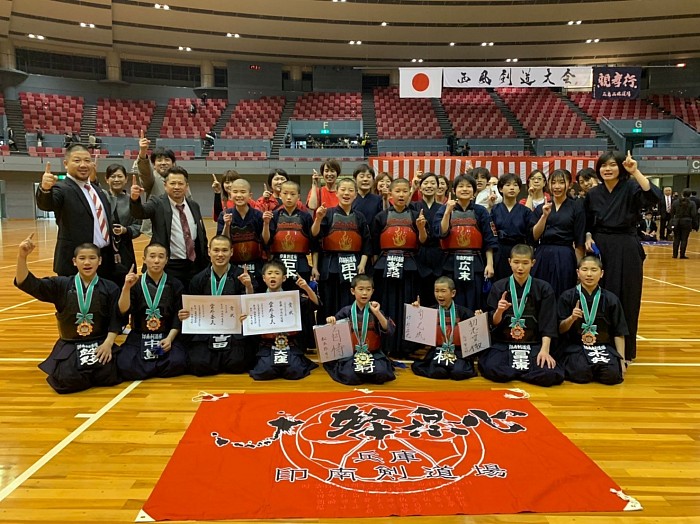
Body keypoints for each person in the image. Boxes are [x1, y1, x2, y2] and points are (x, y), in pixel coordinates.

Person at [584, 151, 662, 361]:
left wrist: (635, 171)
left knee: (628, 296)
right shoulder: (593, 194)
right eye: (603, 165)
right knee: (600, 295)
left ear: (621, 167)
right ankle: (600, 344)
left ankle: (625, 351)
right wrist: (589, 235)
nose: (607, 169)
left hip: (627, 246)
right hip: (601, 247)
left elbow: (655, 196)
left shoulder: (632, 187)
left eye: (612, 165)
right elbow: (587, 221)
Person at [14, 239, 121, 393]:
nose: (87, 263)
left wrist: (108, 343)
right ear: (74, 261)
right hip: (70, 345)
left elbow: (116, 319)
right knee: (68, 381)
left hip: (99, 343)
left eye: (92, 258)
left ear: (100, 261)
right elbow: (27, 283)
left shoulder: (110, 287)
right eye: (82, 258)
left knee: (109, 376)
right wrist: (22, 257)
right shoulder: (61, 284)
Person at [478, 244, 564, 387]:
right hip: (504, 344)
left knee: (550, 374)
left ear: (533, 263)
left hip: (532, 344)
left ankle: (518, 372)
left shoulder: (543, 288)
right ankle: (526, 373)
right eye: (516, 262)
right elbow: (493, 323)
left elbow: (548, 322)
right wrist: (499, 311)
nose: (520, 268)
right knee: (493, 369)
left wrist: (544, 350)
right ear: (509, 262)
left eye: (525, 263)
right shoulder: (499, 287)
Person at [178, 235, 256, 376]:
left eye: (225, 250)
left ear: (231, 252)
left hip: (234, 331)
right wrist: (186, 314)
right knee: (199, 365)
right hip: (207, 331)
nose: (220, 254)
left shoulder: (242, 276)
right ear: (209, 252)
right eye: (216, 250)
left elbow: (253, 308)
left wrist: (249, 287)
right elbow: (192, 310)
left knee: (237, 364)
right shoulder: (198, 279)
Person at [36, 144, 114, 277]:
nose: (83, 165)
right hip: (75, 264)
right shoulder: (62, 188)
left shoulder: (96, 190)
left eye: (87, 161)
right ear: (66, 164)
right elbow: (46, 205)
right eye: (77, 161)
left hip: (103, 261)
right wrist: (45, 189)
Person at [371, 177, 429, 357]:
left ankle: (408, 345)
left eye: (405, 191)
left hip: (409, 265)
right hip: (386, 265)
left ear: (409, 194)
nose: (401, 194)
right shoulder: (381, 217)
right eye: (398, 191)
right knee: (387, 303)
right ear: (390, 194)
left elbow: (423, 241)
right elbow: (374, 245)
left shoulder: (415, 215)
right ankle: (387, 343)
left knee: (408, 304)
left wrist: (421, 228)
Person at [130, 167, 209, 291]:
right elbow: (140, 213)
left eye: (180, 183)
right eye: (172, 183)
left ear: (186, 186)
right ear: (165, 185)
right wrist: (135, 200)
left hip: (194, 266)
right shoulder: (157, 203)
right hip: (170, 266)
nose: (176, 187)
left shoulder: (193, 205)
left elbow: (201, 235)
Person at [116, 243, 187, 380]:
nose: (156, 261)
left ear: (166, 260)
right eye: (152, 256)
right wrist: (126, 288)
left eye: (161, 257)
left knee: (178, 362)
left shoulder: (175, 284)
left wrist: (170, 338)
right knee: (124, 365)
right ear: (144, 259)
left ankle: (151, 366)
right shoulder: (135, 283)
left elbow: (178, 317)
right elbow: (122, 310)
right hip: (140, 335)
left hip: (165, 335)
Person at [558, 256, 628, 385]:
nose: (589, 274)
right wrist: (571, 318)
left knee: (612, 377)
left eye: (594, 270)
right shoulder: (568, 296)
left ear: (601, 273)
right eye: (584, 269)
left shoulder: (611, 299)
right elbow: (560, 329)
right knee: (581, 374)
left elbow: (619, 332)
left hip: (602, 346)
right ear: (578, 272)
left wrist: (621, 361)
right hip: (576, 347)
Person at [433, 173, 498, 311]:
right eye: (460, 186)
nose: (464, 189)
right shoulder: (444, 209)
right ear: (454, 190)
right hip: (450, 263)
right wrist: (447, 212)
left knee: (474, 301)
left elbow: (489, 240)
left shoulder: (481, 211)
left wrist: (490, 264)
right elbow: (441, 233)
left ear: (474, 192)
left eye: (469, 186)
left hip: (475, 263)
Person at [248, 260, 319, 381]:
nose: (273, 276)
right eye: (269, 273)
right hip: (267, 345)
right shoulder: (257, 299)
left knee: (294, 372)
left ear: (284, 278)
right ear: (264, 278)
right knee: (264, 372)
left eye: (277, 273)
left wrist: (306, 287)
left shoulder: (292, 297)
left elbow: (315, 304)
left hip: (290, 343)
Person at [312, 177, 371, 318]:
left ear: (355, 195)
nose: (346, 193)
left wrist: (362, 264)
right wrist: (318, 219)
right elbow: (314, 235)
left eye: (351, 190)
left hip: (353, 265)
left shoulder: (360, 216)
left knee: (350, 303)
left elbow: (367, 243)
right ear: (336, 193)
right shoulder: (328, 214)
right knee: (329, 303)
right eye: (343, 190)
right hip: (331, 265)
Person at [324, 275, 396, 385]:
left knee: (382, 374)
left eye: (368, 289)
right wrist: (331, 321)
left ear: (372, 291)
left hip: (373, 353)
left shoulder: (375, 310)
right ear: (353, 291)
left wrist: (377, 313)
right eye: (361, 289)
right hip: (351, 354)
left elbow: (389, 330)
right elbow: (333, 332)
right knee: (350, 376)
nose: (364, 293)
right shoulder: (346, 311)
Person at [530, 169, 585, 297]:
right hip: (542, 254)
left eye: (561, 182)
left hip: (565, 255)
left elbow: (579, 242)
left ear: (569, 184)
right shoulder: (541, 208)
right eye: (553, 182)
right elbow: (534, 236)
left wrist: (579, 268)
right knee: (541, 294)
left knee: (563, 293)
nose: (557, 186)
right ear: (548, 184)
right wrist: (544, 216)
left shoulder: (576, 206)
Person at [411, 276, 478, 380]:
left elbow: (474, 336)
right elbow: (418, 335)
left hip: (458, 352)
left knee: (458, 373)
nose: (439, 295)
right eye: (436, 291)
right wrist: (417, 313)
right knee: (438, 373)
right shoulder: (430, 311)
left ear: (453, 293)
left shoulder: (464, 312)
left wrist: (478, 319)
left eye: (443, 291)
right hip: (438, 351)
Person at [217, 178, 265, 291]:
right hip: (233, 265)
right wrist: (227, 225)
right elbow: (223, 242)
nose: (239, 195)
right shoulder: (224, 215)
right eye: (235, 192)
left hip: (256, 265)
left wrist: (266, 224)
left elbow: (265, 241)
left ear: (250, 195)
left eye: (243, 192)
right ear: (230, 195)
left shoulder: (258, 215)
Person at [264, 180, 315, 289]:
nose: (288, 197)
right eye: (285, 193)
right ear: (280, 195)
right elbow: (266, 241)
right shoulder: (274, 216)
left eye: (292, 194)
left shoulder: (306, 217)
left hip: (301, 264)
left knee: (300, 298)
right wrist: (266, 224)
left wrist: (314, 267)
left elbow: (314, 243)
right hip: (278, 264)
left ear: (299, 197)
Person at [104, 163, 141, 287]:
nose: (116, 179)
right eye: (113, 176)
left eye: (120, 176)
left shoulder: (132, 200)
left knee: (128, 285)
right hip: (105, 249)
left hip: (125, 250)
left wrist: (126, 230)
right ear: (106, 179)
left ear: (126, 179)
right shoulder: (101, 198)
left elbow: (138, 225)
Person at [136, 132, 179, 237]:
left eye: (167, 160)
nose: (163, 163)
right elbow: (145, 172)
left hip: (177, 227)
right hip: (155, 230)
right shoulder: (151, 179)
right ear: (154, 165)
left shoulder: (180, 179)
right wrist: (142, 152)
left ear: (173, 163)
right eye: (159, 160)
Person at [410, 173, 444, 307]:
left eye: (432, 183)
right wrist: (412, 188)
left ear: (438, 186)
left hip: (438, 254)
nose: (429, 186)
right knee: (418, 293)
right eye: (425, 183)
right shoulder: (413, 206)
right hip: (418, 254)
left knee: (437, 293)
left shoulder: (443, 208)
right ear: (420, 186)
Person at [670, 188, 698, 259]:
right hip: (687, 222)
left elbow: (672, 212)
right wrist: (695, 225)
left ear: (682, 194)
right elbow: (694, 214)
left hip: (677, 221)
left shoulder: (675, 202)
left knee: (676, 238)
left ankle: (674, 254)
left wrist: (673, 220)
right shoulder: (692, 203)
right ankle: (682, 255)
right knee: (684, 239)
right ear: (690, 195)